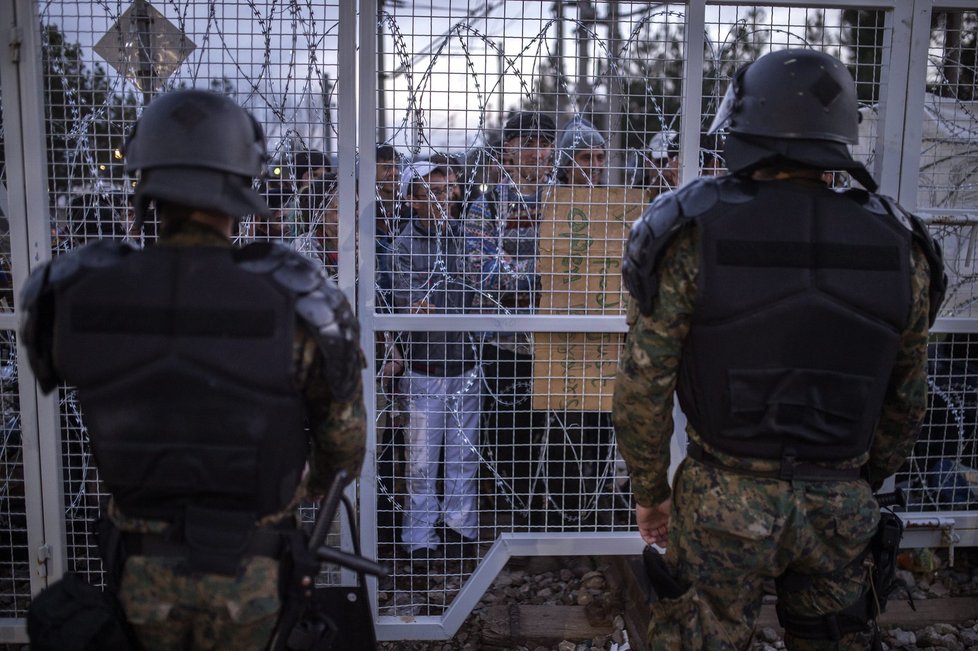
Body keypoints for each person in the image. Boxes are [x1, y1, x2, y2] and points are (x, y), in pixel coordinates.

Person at [614, 49, 947, 650]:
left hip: (724, 498)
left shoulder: (691, 232)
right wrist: (858, 480)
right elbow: (909, 393)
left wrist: (649, 493)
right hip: (840, 499)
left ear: (742, 128)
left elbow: (644, 384)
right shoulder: (901, 246)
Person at [20, 89, 367, 651]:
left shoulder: (72, 295)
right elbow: (345, 443)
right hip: (253, 572)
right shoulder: (297, 299)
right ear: (243, 182)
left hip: (139, 571)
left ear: (145, 178)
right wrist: (308, 486)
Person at [463, 111, 554, 524]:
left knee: (557, 441)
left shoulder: (569, 201)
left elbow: (590, 260)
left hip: (559, 340)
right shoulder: (488, 204)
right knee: (509, 438)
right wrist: (543, 275)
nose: (538, 152)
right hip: (506, 342)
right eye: (528, 142)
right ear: (508, 151)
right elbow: (480, 266)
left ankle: (557, 524)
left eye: (545, 142)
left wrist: (526, 271)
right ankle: (512, 524)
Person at [392, 160, 482, 565]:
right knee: (421, 461)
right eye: (433, 193)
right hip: (424, 369)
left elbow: (486, 287)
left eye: (448, 191)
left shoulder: (464, 240)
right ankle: (419, 539)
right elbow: (409, 304)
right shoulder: (402, 248)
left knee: (463, 454)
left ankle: (460, 532)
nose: (445, 199)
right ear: (411, 201)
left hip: (465, 365)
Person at [554, 116, 607, 187]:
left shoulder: (614, 196)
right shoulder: (549, 196)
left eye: (600, 158)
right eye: (587, 158)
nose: (595, 165)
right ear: (567, 165)